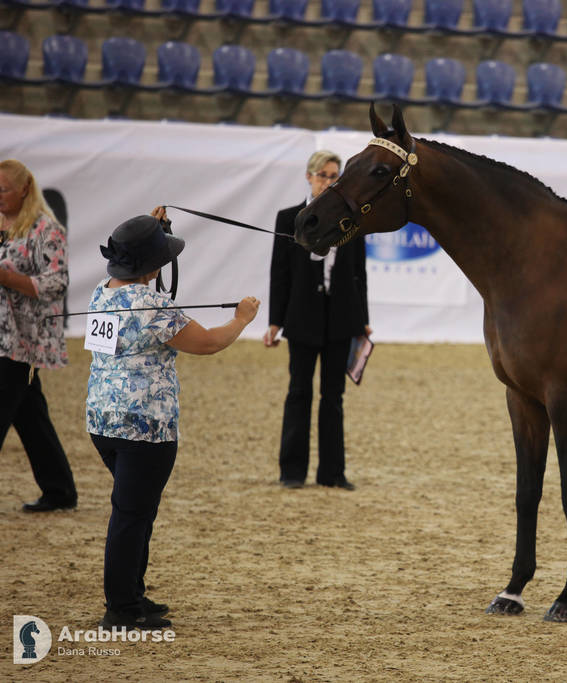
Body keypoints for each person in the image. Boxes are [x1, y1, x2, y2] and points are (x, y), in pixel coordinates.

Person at [88, 208, 259, 629]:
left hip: (103, 419)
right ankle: (121, 608)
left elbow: (148, 283)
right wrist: (241, 318)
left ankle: (132, 594)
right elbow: (207, 343)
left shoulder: (102, 291)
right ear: (153, 264)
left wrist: (155, 229)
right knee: (131, 514)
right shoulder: (152, 306)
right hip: (146, 425)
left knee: (137, 510)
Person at [264, 150, 370, 490]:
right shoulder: (289, 218)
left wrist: (363, 319)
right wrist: (275, 322)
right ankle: (292, 471)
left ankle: (332, 473)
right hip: (302, 316)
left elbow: (358, 273)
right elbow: (279, 273)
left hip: (341, 317)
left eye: (334, 176)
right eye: (323, 175)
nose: (328, 181)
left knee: (333, 396)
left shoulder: (351, 220)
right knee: (299, 392)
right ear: (309, 177)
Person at [0, 159, 78, 513]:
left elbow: (56, 283)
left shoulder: (46, 229)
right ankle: (60, 490)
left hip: (21, 340)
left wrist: (8, 279)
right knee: (31, 416)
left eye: (3, 190)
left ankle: (60, 490)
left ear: (25, 190)